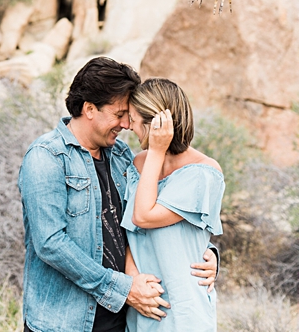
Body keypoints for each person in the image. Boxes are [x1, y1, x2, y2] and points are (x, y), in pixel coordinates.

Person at [18, 57, 217, 332]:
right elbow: (51, 243)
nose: (125, 124)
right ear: (89, 109)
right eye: (119, 114)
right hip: (64, 323)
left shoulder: (123, 157)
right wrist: (122, 288)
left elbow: (148, 223)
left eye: (129, 116)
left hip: (122, 321)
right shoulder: (47, 157)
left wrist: (207, 253)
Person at [121, 78, 223, 331]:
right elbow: (129, 232)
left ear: (156, 124)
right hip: (142, 307)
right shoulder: (136, 165)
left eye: (133, 119)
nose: (128, 127)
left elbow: (144, 216)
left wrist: (156, 151)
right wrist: (132, 275)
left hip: (184, 312)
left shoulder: (203, 173)